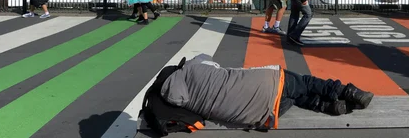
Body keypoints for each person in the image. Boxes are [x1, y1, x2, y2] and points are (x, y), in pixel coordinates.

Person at [159, 54, 374, 130]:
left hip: (263, 116)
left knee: (294, 96)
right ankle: (348, 91)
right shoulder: (193, 67)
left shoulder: (182, 101)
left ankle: (328, 106)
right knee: (305, 82)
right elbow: (207, 59)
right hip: (268, 85)